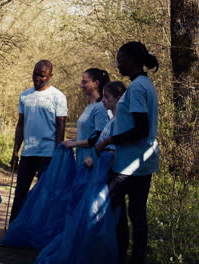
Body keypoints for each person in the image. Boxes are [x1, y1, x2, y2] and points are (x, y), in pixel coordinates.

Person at [95, 41, 160, 264]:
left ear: (132, 60)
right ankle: (132, 257)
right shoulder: (144, 84)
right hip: (142, 162)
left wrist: (108, 141)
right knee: (136, 214)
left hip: (130, 164)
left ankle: (120, 254)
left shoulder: (138, 87)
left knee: (112, 207)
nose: (118, 63)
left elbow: (141, 129)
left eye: (120, 59)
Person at [9, 60, 67, 222]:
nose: (38, 78)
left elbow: (61, 125)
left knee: (45, 193)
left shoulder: (58, 97)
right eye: (35, 73)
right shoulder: (25, 95)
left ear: (50, 76)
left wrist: (57, 152)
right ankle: (13, 230)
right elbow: (20, 125)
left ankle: (39, 232)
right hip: (28, 152)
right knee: (20, 192)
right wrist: (15, 151)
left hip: (48, 153)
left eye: (42, 75)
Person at [63, 68, 110, 169]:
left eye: (85, 82)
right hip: (82, 160)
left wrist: (75, 143)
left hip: (91, 161)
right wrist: (71, 141)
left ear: (96, 83)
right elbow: (87, 135)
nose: (81, 85)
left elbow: (98, 138)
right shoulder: (89, 106)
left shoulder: (100, 107)